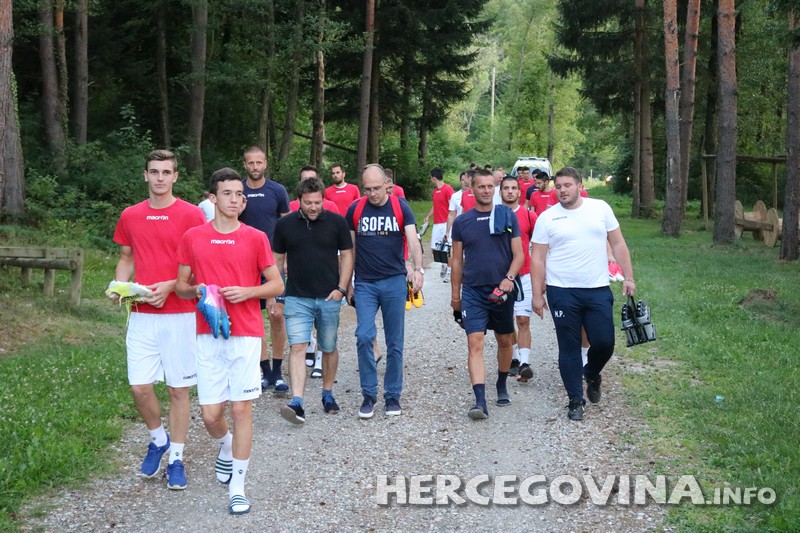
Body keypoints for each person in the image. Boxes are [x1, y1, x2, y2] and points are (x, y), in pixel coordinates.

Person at [176, 167, 284, 515]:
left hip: (247, 333)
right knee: (210, 414)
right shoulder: (193, 237)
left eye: (239, 194)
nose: (236, 200)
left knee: (241, 408)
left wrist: (247, 292)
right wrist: (197, 291)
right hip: (208, 333)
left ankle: (238, 486)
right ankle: (225, 447)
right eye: (228, 194)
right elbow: (180, 285)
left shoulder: (255, 237)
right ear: (213, 197)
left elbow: (277, 285)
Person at [111, 149, 205, 490]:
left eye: (166, 172)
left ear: (176, 176)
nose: (160, 178)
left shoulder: (193, 215)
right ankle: (158, 438)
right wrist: (118, 286)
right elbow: (125, 257)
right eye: (154, 171)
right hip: (141, 313)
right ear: (145, 175)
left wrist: (170, 286)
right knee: (139, 387)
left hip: (180, 314)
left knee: (179, 391)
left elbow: (200, 265)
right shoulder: (131, 215)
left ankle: (177, 459)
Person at [531, 166, 636, 422]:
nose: (562, 190)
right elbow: (537, 258)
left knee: (604, 343)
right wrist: (537, 294)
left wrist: (629, 276)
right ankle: (575, 400)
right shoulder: (547, 217)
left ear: (579, 186)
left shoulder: (600, 208)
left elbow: (618, 243)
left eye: (567, 185)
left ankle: (592, 372)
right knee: (568, 347)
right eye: (558, 186)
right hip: (562, 291)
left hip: (597, 288)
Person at [272, 177, 354, 424]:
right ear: (299, 201)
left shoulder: (337, 223)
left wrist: (341, 288)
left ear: (323, 199)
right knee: (298, 346)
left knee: (328, 347)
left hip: (329, 296)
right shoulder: (285, 225)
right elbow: (276, 260)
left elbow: (348, 256)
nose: (314, 207)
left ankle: (327, 393)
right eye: (308, 203)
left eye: (318, 202)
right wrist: (277, 293)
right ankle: (297, 401)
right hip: (297, 297)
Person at [346, 164, 424, 419]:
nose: (373, 194)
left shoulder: (400, 207)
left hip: (393, 281)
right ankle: (369, 394)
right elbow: (349, 251)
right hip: (366, 283)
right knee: (364, 336)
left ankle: (392, 396)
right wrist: (347, 283)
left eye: (377, 188)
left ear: (387, 185)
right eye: (367, 189)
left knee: (394, 341)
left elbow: (413, 240)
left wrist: (418, 268)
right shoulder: (355, 209)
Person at [450, 169, 524, 420]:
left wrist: (509, 278)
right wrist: (455, 296)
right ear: (471, 189)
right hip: (473, 291)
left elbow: (519, 255)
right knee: (475, 343)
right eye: (480, 187)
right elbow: (457, 261)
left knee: (505, 341)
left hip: (501, 290)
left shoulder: (506, 216)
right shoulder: (462, 222)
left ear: (495, 188)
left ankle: (501, 382)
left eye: (490, 187)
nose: (486, 190)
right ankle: (480, 401)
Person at [238, 146, 291, 396]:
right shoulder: (238, 191)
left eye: (259, 163)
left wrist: (288, 257)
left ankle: (278, 371)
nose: (255, 167)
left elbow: (287, 224)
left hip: (273, 262)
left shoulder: (277, 190)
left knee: (276, 316)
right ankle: (264, 371)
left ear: (266, 164)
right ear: (245, 164)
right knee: (253, 318)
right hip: (244, 264)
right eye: (251, 163)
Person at [499, 175, 538, 382]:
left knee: (523, 319)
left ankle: (524, 363)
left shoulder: (529, 216)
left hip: (524, 275)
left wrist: (541, 277)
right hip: (500, 277)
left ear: (519, 192)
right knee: (506, 322)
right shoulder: (493, 215)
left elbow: (539, 247)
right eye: (506, 188)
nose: (510, 191)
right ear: (501, 192)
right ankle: (513, 357)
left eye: (514, 188)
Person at [422, 167, 454, 279]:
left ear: (434, 178)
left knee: (448, 248)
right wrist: (428, 216)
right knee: (435, 248)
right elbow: (435, 206)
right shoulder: (435, 191)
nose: (430, 180)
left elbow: (452, 206)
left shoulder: (448, 189)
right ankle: (444, 265)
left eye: (431, 178)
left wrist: (451, 221)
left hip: (446, 223)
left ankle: (450, 271)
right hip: (437, 223)